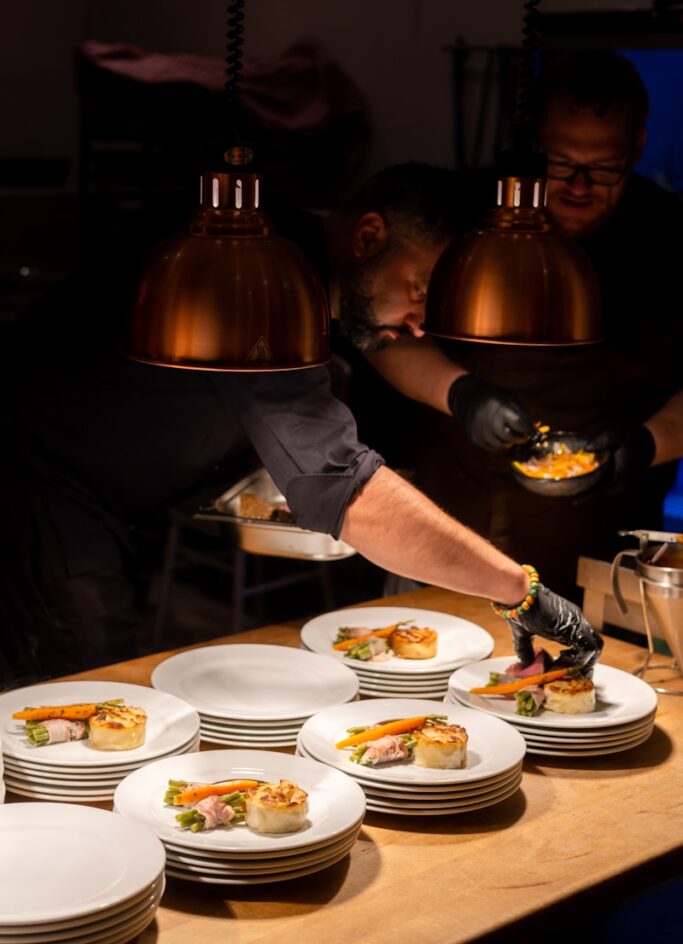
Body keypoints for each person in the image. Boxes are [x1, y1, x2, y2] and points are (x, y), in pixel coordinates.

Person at [0, 164, 601, 691]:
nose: (420, 325)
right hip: (46, 487)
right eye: (419, 292)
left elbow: (370, 348)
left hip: (124, 501)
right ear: (368, 236)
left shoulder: (303, 264)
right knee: (92, 698)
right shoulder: (256, 279)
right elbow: (343, 487)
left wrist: (460, 391)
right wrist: (518, 588)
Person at [347, 51, 683, 601]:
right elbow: (378, 335)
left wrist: (644, 446)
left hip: (604, 561)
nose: (578, 185)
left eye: (603, 168)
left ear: (639, 148)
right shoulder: (464, 217)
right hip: (449, 540)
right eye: (559, 162)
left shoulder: (671, 238)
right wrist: (460, 393)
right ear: (531, 147)